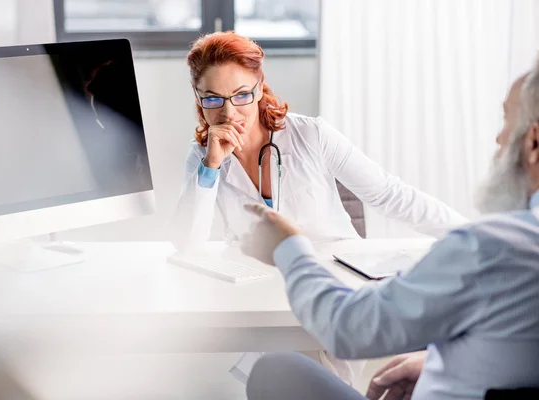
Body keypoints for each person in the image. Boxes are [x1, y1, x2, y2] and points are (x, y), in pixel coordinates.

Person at [170, 31, 467, 385]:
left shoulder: (310, 136)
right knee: (281, 373)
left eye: (242, 95)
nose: (230, 112)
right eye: (213, 99)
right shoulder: (202, 155)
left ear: (260, 86)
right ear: (198, 99)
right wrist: (212, 166)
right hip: (263, 295)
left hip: (331, 288)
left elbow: (390, 194)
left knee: (292, 373)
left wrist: (471, 236)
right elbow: (187, 242)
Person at [241, 65, 539, 399]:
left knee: (277, 370)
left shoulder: (491, 248)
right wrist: (437, 361)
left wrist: (289, 247)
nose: (499, 138)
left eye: (507, 121)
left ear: (533, 142)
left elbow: (348, 327)